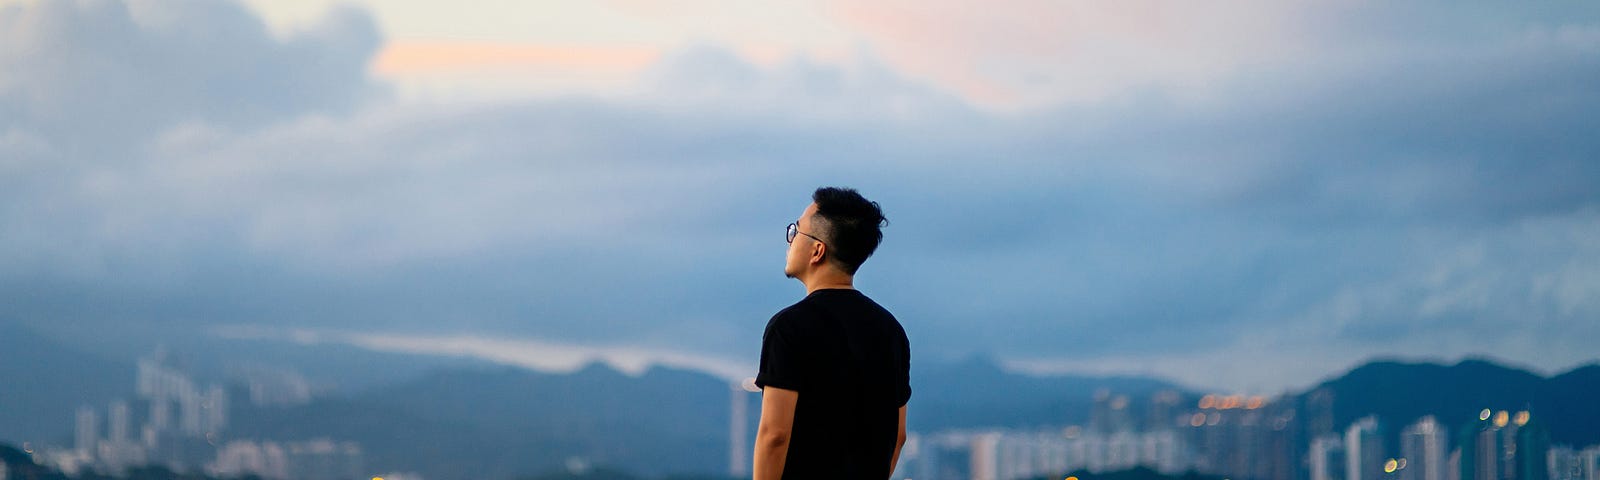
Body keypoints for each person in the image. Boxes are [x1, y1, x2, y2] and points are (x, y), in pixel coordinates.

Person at [753, 187, 911, 479]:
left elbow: (774, 435)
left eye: (796, 231)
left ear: (817, 250)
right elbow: (898, 435)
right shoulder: (891, 330)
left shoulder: (788, 328)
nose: (790, 240)